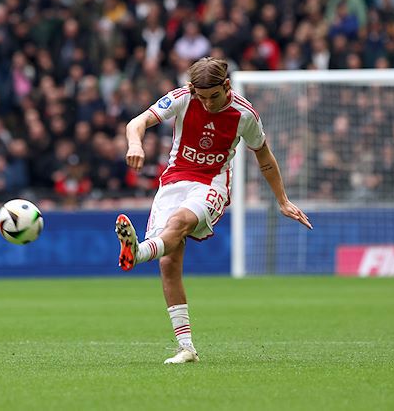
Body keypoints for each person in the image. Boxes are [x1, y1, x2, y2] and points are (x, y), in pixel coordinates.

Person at [115, 57, 312, 364]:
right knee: (168, 262)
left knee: (179, 222)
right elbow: (135, 123)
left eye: (214, 96)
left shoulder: (244, 114)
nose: (207, 103)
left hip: (211, 184)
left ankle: (138, 252)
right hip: (174, 182)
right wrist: (135, 145)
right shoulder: (183, 97)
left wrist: (282, 200)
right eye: (202, 97)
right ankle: (186, 348)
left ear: (227, 86)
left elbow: (264, 157)